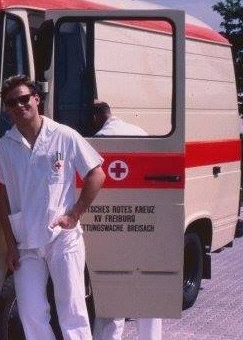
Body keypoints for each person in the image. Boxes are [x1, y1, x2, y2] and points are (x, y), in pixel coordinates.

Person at [0, 75, 106, 340]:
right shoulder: (4, 147)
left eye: (24, 99)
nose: (19, 106)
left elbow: (96, 173)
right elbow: (3, 196)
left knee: (72, 311)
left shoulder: (64, 135)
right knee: (31, 312)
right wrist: (10, 244)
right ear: (7, 109)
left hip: (63, 239)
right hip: (26, 244)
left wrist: (74, 214)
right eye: (12, 103)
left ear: (36, 99)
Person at [91, 100, 147, 340]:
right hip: (143, 219)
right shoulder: (140, 133)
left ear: (96, 117)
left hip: (113, 222)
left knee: (111, 294)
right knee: (143, 292)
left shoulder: (98, 140)